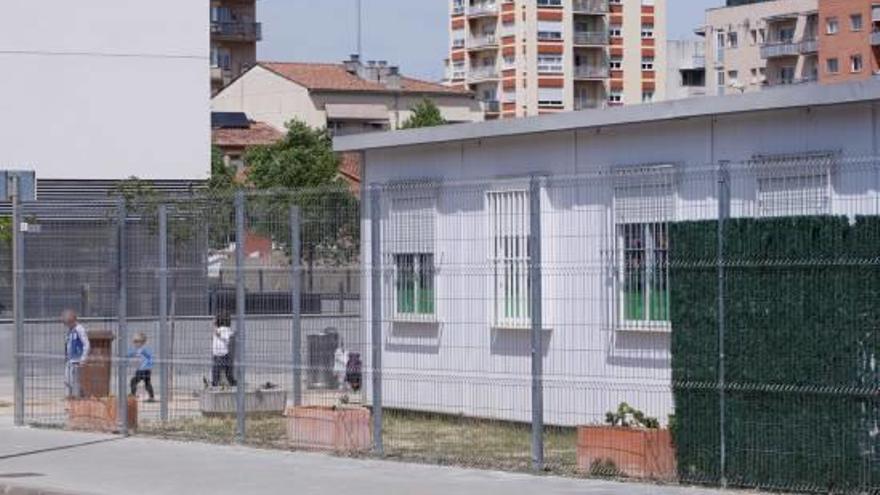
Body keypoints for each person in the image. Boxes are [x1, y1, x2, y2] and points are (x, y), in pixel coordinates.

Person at [62, 309, 90, 399]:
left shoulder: (79, 329)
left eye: (68, 322)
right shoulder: (70, 330)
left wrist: (83, 358)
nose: (67, 325)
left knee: (75, 381)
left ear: (73, 320)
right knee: (67, 380)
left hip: (77, 360)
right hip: (70, 360)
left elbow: (86, 344)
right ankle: (68, 397)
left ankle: (77, 397)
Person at [211, 312, 237, 387]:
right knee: (216, 371)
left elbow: (225, 337)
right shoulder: (219, 329)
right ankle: (215, 384)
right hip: (217, 355)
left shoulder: (225, 329)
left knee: (227, 371)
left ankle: (231, 382)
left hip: (223, 355)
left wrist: (215, 328)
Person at [128, 332, 155, 402]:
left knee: (134, 381)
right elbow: (131, 354)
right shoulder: (138, 350)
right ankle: (151, 397)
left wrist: (149, 365)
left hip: (143, 370)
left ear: (142, 342)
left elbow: (150, 357)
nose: (135, 343)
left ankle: (133, 395)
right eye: (134, 341)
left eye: (137, 341)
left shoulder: (143, 350)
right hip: (142, 369)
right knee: (147, 383)